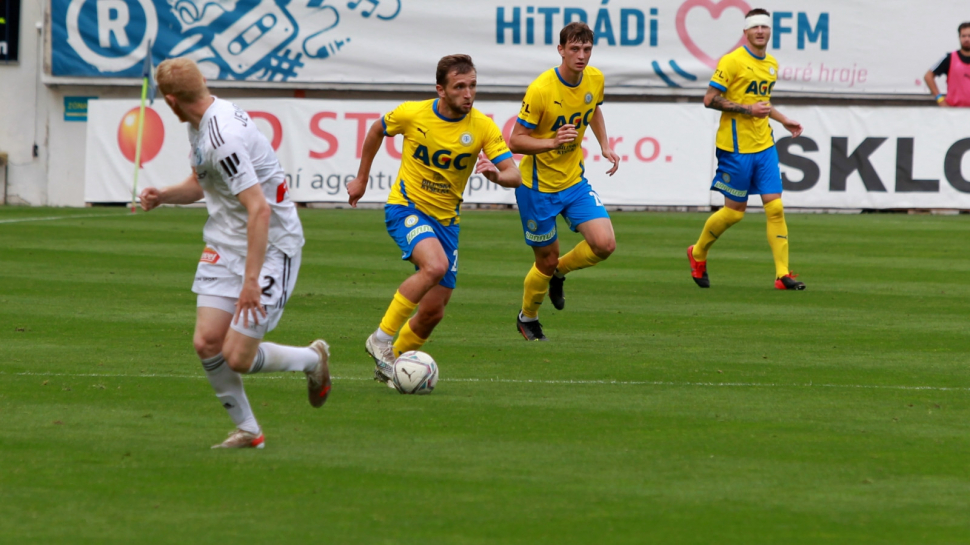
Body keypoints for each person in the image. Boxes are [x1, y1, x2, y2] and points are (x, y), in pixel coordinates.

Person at [139, 58, 331, 449]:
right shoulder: (200, 123)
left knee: (239, 356)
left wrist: (250, 283)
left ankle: (313, 360)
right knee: (207, 343)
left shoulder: (221, 135)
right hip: (225, 242)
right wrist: (165, 196)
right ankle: (248, 429)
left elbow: (258, 208)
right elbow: (201, 182)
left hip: (272, 246)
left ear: (171, 101)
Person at [346, 54, 521, 385]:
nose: (468, 94)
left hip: (447, 223)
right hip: (406, 208)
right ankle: (380, 339)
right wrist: (362, 179)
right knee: (435, 266)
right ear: (440, 89)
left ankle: (391, 369)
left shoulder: (482, 126)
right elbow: (376, 130)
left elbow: (515, 174)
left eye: (472, 86)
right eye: (459, 87)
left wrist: (496, 176)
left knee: (431, 313)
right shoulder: (414, 113)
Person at [509, 22, 619, 341]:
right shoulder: (542, 89)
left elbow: (593, 108)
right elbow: (515, 141)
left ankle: (560, 273)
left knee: (605, 244)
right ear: (561, 50)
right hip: (536, 188)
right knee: (545, 259)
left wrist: (605, 145)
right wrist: (552, 143)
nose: (581, 56)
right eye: (574, 49)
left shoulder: (595, 78)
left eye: (586, 49)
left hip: (573, 182)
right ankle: (527, 317)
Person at [687, 8, 805, 291]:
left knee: (775, 207)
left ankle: (782, 275)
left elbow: (761, 102)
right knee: (734, 213)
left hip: (764, 144)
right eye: (755, 27)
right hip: (735, 147)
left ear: (770, 31)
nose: (760, 31)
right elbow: (710, 99)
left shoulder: (771, 64)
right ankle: (698, 252)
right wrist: (747, 110)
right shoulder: (732, 61)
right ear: (746, 32)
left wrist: (783, 118)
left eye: (765, 27)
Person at [923, 22, 970, 107]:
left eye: (969, 36)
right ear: (959, 37)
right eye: (963, 36)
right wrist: (940, 99)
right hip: (954, 113)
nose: (966, 39)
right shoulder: (950, 57)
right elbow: (928, 76)